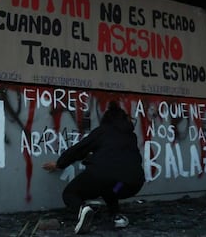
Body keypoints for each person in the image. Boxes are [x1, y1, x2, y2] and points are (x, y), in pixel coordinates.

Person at [42, 100, 145, 234]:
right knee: (111, 190)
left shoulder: (102, 131)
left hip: (102, 177)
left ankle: (83, 211)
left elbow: (80, 149)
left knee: (70, 193)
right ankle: (116, 216)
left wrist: (60, 164)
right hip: (129, 184)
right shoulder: (131, 136)